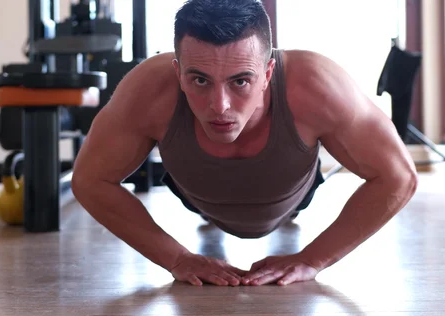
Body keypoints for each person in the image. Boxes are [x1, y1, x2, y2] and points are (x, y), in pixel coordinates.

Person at [71, 0, 418, 287]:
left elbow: (399, 177)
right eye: (199, 79)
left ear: (267, 74)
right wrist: (176, 258)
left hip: (294, 192)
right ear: (177, 72)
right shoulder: (148, 89)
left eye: (240, 81)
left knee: (292, 207)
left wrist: (313, 259)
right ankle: (208, 213)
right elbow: (89, 181)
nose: (219, 105)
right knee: (200, 205)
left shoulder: (316, 85)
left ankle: (289, 209)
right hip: (196, 194)